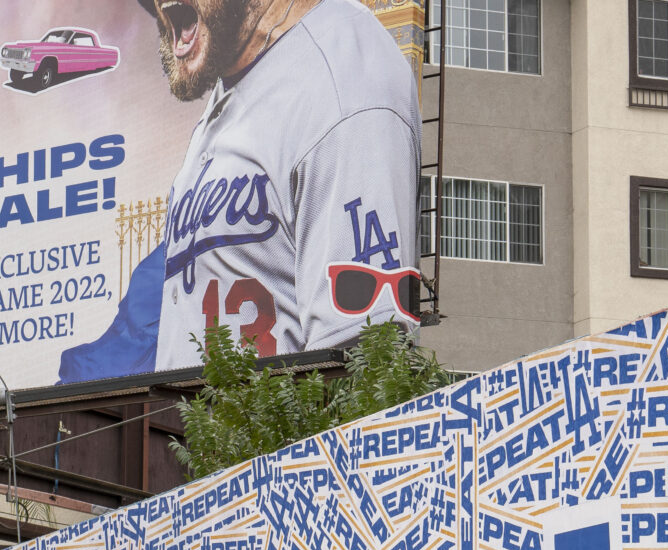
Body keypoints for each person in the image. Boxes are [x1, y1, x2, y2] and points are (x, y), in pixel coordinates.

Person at [57, 0, 423, 381]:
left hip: (282, 438)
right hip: (201, 435)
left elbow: (366, 361)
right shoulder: (238, 80)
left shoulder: (344, 70)